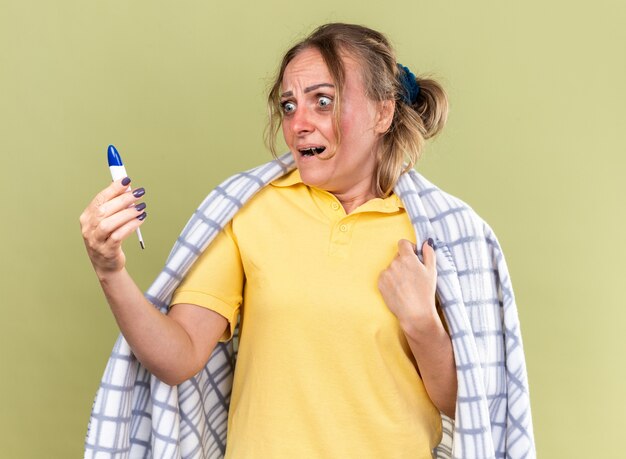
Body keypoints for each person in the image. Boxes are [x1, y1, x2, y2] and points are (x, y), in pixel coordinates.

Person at [82, 23, 534, 459]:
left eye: (322, 101)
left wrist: (422, 325)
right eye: (288, 105)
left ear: (383, 111)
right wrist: (110, 269)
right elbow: (176, 357)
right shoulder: (252, 211)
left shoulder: (439, 234)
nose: (299, 123)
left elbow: (474, 408)